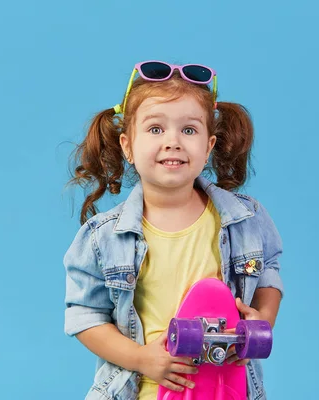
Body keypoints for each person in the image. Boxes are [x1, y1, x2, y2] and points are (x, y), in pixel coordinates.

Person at [63, 61, 284, 400]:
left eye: (189, 130)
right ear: (127, 146)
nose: (173, 142)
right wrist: (140, 358)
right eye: (155, 129)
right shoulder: (102, 238)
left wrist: (262, 321)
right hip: (143, 391)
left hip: (226, 388)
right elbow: (85, 317)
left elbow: (268, 273)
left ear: (209, 146)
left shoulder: (247, 218)